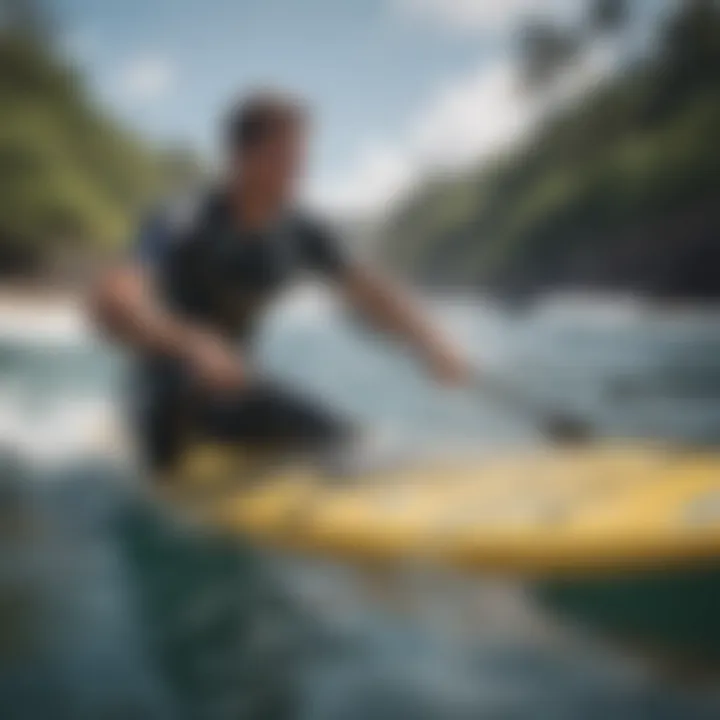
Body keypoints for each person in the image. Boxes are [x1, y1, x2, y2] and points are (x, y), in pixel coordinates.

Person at [90, 90, 472, 474]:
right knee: (177, 423)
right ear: (241, 157)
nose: (298, 168)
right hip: (162, 395)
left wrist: (431, 343)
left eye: (300, 156)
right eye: (283, 156)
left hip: (231, 389)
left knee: (345, 439)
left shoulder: (300, 230)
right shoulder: (185, 219)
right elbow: (112, 304)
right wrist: (192, 343)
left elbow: (372, 291)